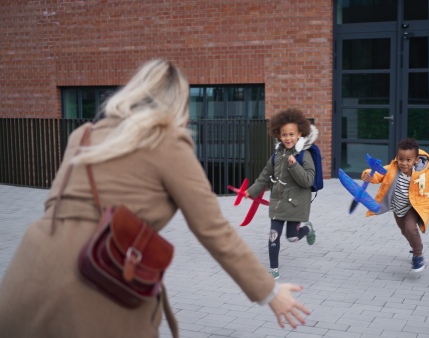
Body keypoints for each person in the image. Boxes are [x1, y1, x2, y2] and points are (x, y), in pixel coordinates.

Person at [0, 60, 309, 337]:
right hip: (94, 278)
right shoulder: (168, 142)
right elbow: (213, 229)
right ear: (178, 105)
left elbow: (53, 207)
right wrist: (268, 292)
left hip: (28, 272)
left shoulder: (82, 136)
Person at [361, 138, 429, 272]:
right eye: (401, 159)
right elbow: (377, 173)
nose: (404, 163)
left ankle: (418, 255)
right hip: (397, 207)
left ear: (416, 160)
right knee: (405, 231)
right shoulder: (392, 169)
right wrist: (368, 175)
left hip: (413, 207)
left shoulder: (424, 174)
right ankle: (415, 245)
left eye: (408, 160)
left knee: (411, 227)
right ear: (397, 158)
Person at [245, 108, 317, 280]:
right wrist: (251, 191)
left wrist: (294, 166)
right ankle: (274, 269)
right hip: (278, 203)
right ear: (278, 135)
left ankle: (307, 228)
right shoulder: (276, 155)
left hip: (296, 204)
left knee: (292, 238)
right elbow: (264, 177)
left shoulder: (304, 155)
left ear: (300, 133)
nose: (288, 138)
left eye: (292, 134)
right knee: (273, 235)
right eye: (284, 135)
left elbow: (308, 181)